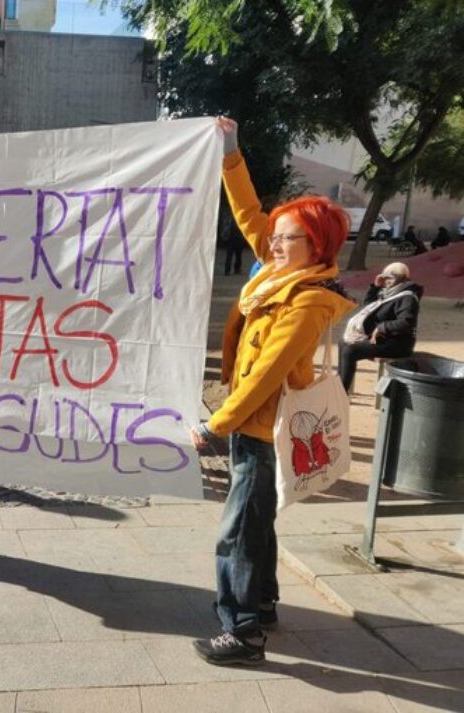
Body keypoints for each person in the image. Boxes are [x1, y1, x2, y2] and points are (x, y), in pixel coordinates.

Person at [189, 118, 354, 666]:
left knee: (239, 530)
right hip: (254, 424)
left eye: (289, 238)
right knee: (257, 520)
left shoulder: (305, 300)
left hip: (264, 426)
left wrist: (216, 425)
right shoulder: (278, 274)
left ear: (318, 246)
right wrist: (231, 153)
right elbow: (249, 215)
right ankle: (263, 602)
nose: (275, 243)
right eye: (276, 237)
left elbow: (266, 374)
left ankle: (241, 633)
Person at [338, 262, 422, 392]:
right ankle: (339, 385)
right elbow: (369, 307)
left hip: (397, 343)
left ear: (402, 278)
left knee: (351, 350)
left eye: (391, 278)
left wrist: (382, 327)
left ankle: (342, 392)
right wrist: (375, 287)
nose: (387, 281)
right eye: (385, 277)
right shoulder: (387, 293)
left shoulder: (407, 297)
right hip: (381, 339)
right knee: (343, 342)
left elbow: (406, 322)